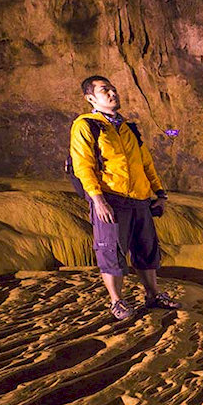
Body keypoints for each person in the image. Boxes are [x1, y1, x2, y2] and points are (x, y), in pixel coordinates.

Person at [70, 75, 180, 320]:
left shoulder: (128, 127)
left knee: (146, 249)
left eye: (113, 89)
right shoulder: (86, 125)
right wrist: (97, 199)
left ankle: (153, 295)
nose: (112, 93)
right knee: (110, 249)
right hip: (111, 198)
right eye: (104, 90)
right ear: (90, 98)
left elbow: (145, 162)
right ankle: (117, 301)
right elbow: (83, 165)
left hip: (139, 199)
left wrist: (159, 193)